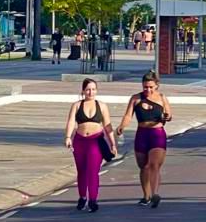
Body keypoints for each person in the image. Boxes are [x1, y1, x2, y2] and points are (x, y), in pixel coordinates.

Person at [116, 71, 172, 208]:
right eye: (145, 87)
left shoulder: (162, 98)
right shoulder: (136, 98)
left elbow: (169, 114)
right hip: (142, 134)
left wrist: (166, 117)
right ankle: (146, 196)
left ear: (157, 86)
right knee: (143, 166)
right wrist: (122, 126)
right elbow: (128, 115)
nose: (148, 90)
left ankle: (155, 194)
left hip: (157, 134)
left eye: (151, 87)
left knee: (153, 165)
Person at [64, 77, 116, 211]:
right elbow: (71, 122)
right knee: (81, 171)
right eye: (88, 90)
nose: (90, 92)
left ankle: (93, 199)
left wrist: (112, 144)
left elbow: (108, 126)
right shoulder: (76, 105)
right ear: (83, 91)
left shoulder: (102, 106)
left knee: (93, 171)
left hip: (95, 140)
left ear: (96, 91)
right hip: (80, 140)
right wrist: (68, 137)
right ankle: (82, 197)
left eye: (93, 89)